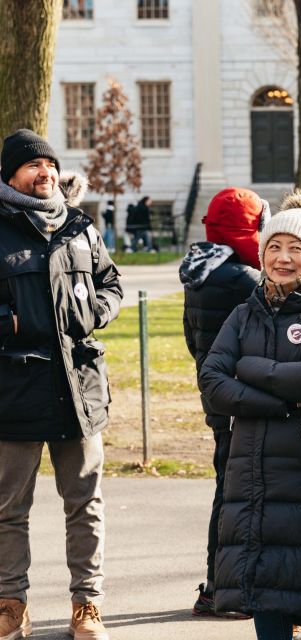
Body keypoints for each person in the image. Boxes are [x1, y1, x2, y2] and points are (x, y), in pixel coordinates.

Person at [199, 202, 301, 639]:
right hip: (251, 473)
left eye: (295, 248)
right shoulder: (244, 313)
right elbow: (212, 380)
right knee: (264, 596)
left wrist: (247, 368)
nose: (282, 258)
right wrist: (279, 405)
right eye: (275, 246)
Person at [0, 129, 123, 640]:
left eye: (49, 163)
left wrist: (98, 310)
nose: (44, 171)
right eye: (32, 165)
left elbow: (111, 281)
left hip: (80, 389)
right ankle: (10, 603)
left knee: (85, 503)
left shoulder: (79, 226)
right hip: (15, 392)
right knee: (8, 509)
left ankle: (87, 605)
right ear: (10, 177)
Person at [179, 187, 271, 620]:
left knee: (227, 491)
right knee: (247, 496)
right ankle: (232, 590)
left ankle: (216, 585)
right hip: (245, 403)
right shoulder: (245, 280)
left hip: (217, 401)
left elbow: (190, 338)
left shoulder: (200, 271)